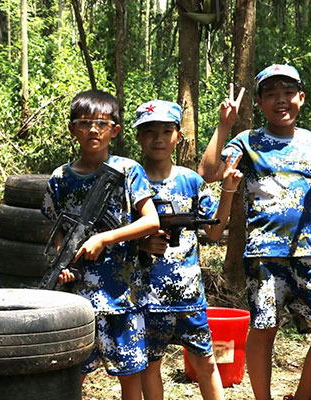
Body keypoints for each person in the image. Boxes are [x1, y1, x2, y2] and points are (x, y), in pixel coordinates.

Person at [198, 65, 311, 400]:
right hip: (264, 255)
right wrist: (224, 126)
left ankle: (302, 397)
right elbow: (209, 172)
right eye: (271, 94)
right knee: (264, 328)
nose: (280, 100)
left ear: (301, 98)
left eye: (287, 93)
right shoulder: (248, 141)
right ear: (260, 102)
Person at [41, 90, 160, 400]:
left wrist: (104, 237)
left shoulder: (127, 171)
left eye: (101, 123)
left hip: (122, 296)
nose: (93, 130)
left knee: (130, 379)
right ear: (72, 129)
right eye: (84, 123)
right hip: (77, 302)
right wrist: (63, 269)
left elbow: (151, 221)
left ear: (115, 130)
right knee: (70, 378)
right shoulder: (60, 178)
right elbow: (58, 238)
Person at [133, 99, 243, 400]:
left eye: (166, 131)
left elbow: (215, 229)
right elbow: (115, 235)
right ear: (138, 137)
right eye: (150, 131)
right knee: (150, 367)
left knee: (206, 363)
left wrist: (229, 190)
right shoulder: (129, 180)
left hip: (188, 297)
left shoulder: (190, 181)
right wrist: (141, 243)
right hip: (146, 296)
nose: (158, 139)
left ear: (178, 136)